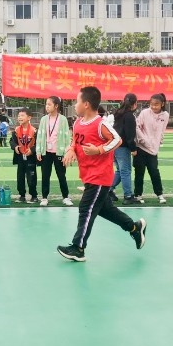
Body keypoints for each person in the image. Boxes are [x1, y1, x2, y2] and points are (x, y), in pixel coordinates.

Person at [56, 87, 148, 262]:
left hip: (100, 177)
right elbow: (74, 142)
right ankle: (135, 228)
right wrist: (70, 150)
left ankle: (78, 248)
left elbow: (117, 140)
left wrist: (99, 149)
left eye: (77, 101)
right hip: (88, 175)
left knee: (85, 208)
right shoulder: (77, 123)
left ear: (86, 104)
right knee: (106, 210)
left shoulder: (101, 124)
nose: (75, 105)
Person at [36, 96, 73, 206]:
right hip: (46, 151)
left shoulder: (63, 119)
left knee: (61, 175)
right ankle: (44, 197)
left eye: (49, 104)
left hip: (59, 152)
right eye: (46, 104)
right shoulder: (43, 119)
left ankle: (66, 197)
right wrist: (38, 151)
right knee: (45, 175)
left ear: (56, 106)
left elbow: (67, 137)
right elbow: (39, 136)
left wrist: (67, 151)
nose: (47, 107)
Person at [134, 93, 169, 204]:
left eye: (156, 104)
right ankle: (138, 195)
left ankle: (159, 194)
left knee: (154, 172)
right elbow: (137, 126)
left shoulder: (165, 115)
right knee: (139, 173)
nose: (154, 107)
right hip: (141, 148)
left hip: (153, 150)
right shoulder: (145, 113)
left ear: (162, 104)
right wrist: (143, 140)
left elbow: (162, 130)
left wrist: (160, 141)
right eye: (152, 104)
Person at [111, 93, 138, 204]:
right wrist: (133, 148)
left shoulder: (118, 113)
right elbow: (130, 135)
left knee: (120, 171)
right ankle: (128, 196)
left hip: (115, 146)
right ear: (135, 104)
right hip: (123, 147)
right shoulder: (129, 116)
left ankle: (108, 190)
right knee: (126, 171)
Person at [9, 108, 38, 203]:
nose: (19, 117)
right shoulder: (16, 130)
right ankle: (22, 195)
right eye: (18, 116)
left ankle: (34, 195)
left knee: (31, 177)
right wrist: (16, 147)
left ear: (29, 117)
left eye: (22, 115)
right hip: (20, 157)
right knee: (20, 177)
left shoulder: (34, 131)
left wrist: (32, 150)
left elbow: (39, 143)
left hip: (31, 158)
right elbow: (12, 141)